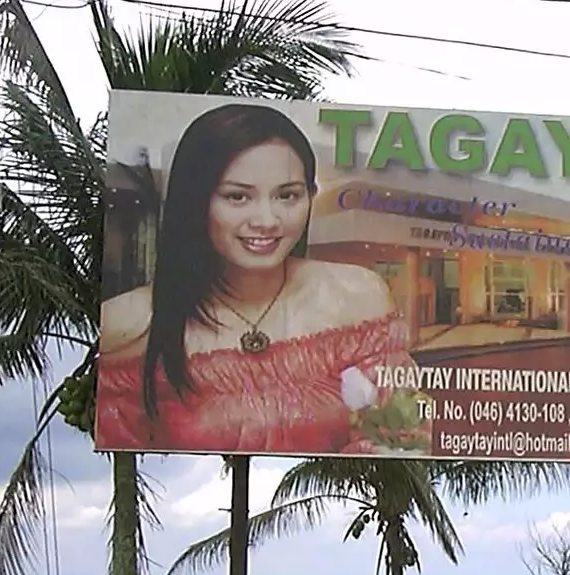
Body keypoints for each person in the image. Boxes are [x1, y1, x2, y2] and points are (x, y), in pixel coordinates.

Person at [95, 102, 425, 455]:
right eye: (237, 196)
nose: (267, 220)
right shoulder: (127, 323)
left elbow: (401, 434)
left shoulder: (358, 297)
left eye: (288, 196)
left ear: (311, 197)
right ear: (195, 201)